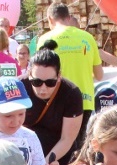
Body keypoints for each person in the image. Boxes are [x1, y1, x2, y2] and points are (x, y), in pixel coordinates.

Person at [39, 2, 103, 152]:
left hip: (56, 99)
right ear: (68, 18)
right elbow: (99, 75)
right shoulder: (87, 38)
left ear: (50, 19)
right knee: (79, 148)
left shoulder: (45, 39)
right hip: (84, 100)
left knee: (58, 146)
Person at [23, 41, 83, 165]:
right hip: (23, 155)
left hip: (58, 156)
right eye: (37, 82)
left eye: (50, 82)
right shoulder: (19, 87)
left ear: (59, 76)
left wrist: (43, 164)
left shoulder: (71, 93)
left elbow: (67, 138)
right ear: (29, 75)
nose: (43, 88)